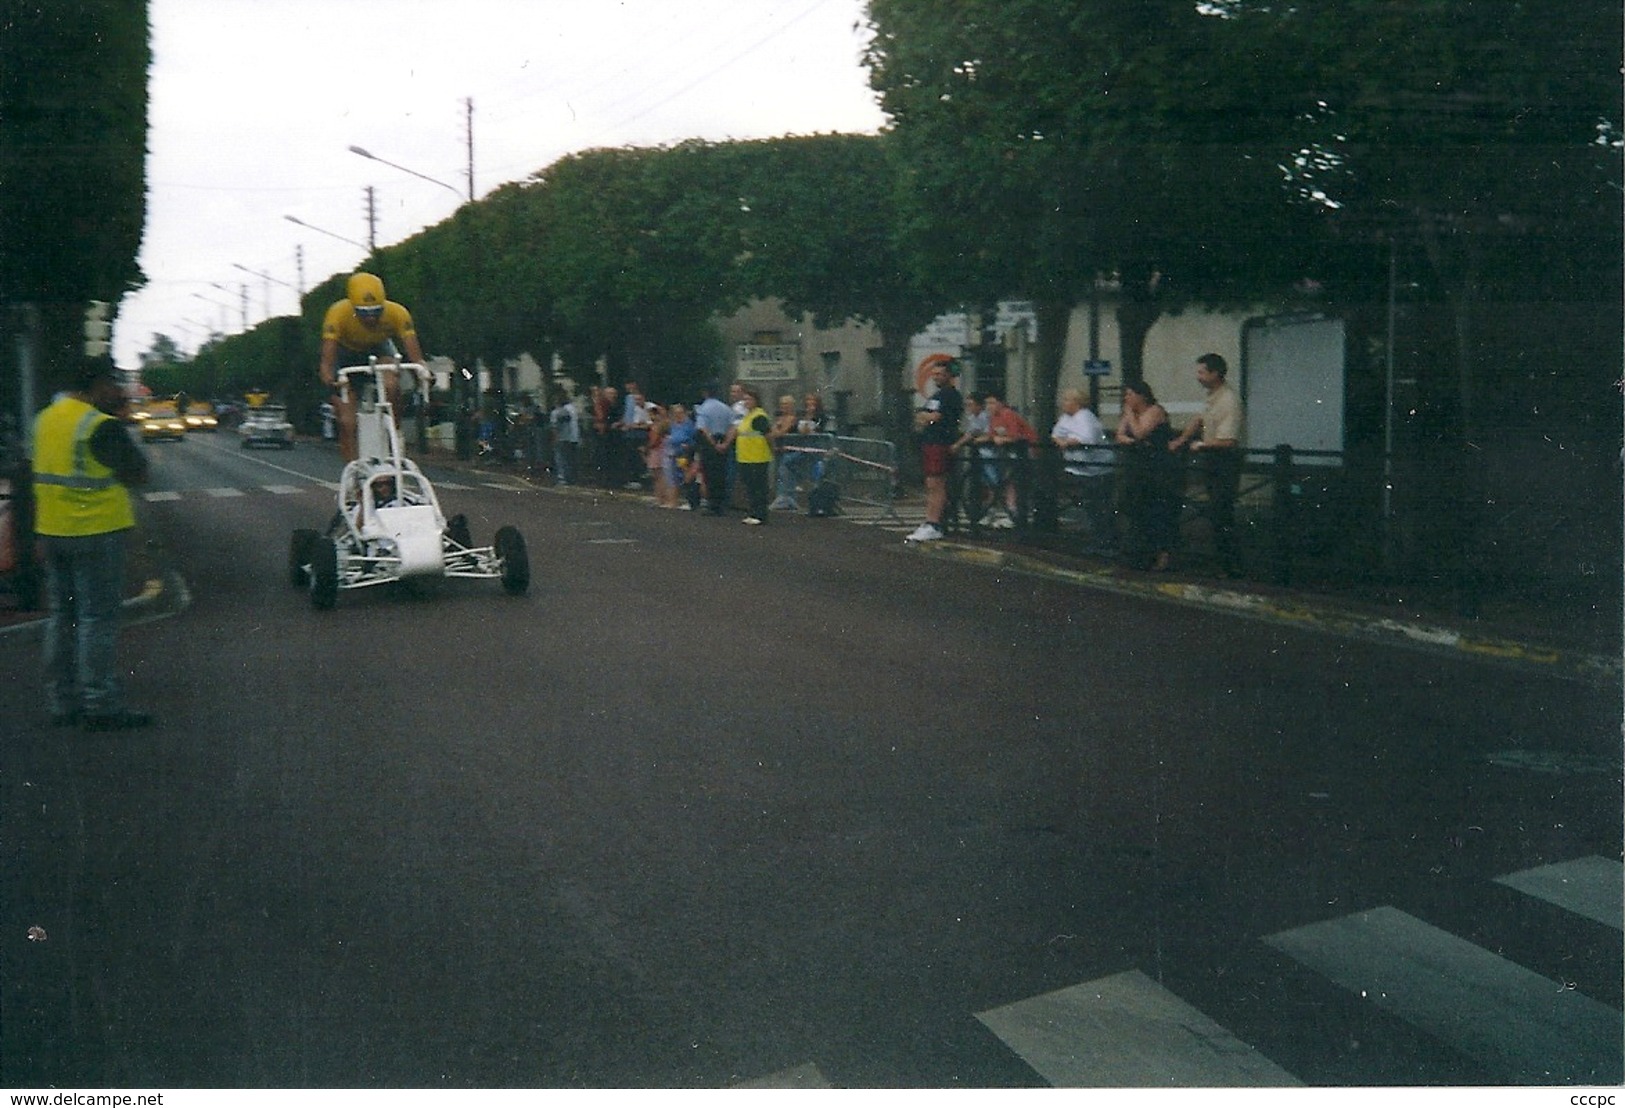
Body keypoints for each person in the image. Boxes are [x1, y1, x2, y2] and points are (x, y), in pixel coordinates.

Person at [32, 361, 153, 731]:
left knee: (61, 616)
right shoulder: (99, 425)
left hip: (53, 531)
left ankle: (62, 701)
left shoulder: (44, 420)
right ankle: (100, 703)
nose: (116, 391)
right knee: (96, 619)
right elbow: (138, 472)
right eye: (112, 384)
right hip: (97, 533)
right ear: (97, 384)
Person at [318, 272, 427, 463]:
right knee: (347, 421)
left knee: (392, 383)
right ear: (352, 306)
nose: (370, 319)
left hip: (379, 348)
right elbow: (327, 360)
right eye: (363, 313)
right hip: (344, 354)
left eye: (377, 312)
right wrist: (330, 380)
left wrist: (423, 373)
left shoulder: (397, 313)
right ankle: (354, 470)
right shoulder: (337, 313)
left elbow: (415, 354)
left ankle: (395, 432)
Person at [1169, 352, 1245, 575]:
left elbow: (1228, 440)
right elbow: (1200, 419)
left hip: (1224, 461)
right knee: (1216, 511)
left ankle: (1230, 565)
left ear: (1215, 373)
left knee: (1222, 512)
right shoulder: (1213, 396)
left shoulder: (1228, 400)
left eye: (1202, 372)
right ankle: (1223, 561)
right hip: (1214, 461)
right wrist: (1182, 439)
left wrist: (1201, 445)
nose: (1198, 376)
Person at [1115, 380, 1181, 571]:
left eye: (1129, 394)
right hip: (1137, 468)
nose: (1126, 399)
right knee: (1136, 510)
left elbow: (1140, 432)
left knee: (1156, 511)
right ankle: (1139, 554)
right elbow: (1120, 435)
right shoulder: (1131, 413)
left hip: (1157, 469)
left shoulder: (1155, 411)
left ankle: (1162, 555)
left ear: (1141, 395)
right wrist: (1129, 438)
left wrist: (1129, 417)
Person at [906, 359, 963, 542]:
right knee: (932, 483)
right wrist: (926, 417)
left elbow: (934, 417)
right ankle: (931, 521)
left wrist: (927, 417)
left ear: (949, 375)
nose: (936, 377)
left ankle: (934, 523)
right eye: (935, 374)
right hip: (931, 442)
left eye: (940, 374)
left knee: (936, 484)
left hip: (940, 442)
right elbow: (923, 416)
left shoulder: (949, 395)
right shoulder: (937, 395)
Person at [1051, 387, 1115, 545]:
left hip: (1096, 469)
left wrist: (1068, 442)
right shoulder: (1065, 417)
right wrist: (1063, 441)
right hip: (1078, 469)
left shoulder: (1086, 417)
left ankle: (1103, 540)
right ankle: (1095, 538)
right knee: (1086, 505)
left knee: (1097, 506)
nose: (1063, 403)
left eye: (1067, 400)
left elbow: (1087, 439)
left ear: (1077, 403)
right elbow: (1056, 434)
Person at [718, 385, 773, 524]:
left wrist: (772, 449)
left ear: (756, 401)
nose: (746, 402)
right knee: (750, 487)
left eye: (749, 399)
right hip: (745, 457)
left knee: (758, 487)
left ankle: (760, 515)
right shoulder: (747, 416)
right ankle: (753, 512)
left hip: (757, 457)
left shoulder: (759, 416)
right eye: (745, 400)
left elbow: (768, 436)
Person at [982, 394, 1038, 529]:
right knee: (1006, 480)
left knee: (1012, 481)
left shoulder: (1008, 414)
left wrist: (1002, 439)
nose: (989, 406)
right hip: (1008, 453)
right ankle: (1005, 511)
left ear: (1001, 403)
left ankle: (1013, 513)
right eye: (987, 403)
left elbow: (1015, 435)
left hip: (1024, 452)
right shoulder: (993, 418)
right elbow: (991, 434)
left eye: (992, 403)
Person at [693, 383, 734, 515]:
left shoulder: (703, 408)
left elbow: (703, 428)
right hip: (724, 439)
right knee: (721, 473)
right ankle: (720, 504)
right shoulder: (726, 408)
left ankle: (712, 505)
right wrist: (726, 443)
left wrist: (713, 443)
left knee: (709, 474)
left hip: (710, 442)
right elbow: (732, 427)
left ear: (705, 393)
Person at [660, 402, 697, 509]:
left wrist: (688, 445)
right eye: (676, 413)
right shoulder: (672, 424)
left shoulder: (689, 425)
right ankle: (672, 501)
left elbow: (694, 439)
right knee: (672, 478)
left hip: (684, 454)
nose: (678, 415)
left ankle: (690, 502)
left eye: (680, 413)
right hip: (672, 453)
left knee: (686, 477)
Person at [767, 394, 801, 511]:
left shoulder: (792, 419)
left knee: (786, 473)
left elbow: (781, 432)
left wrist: (777, 430)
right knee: (780, 474)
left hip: (790, 450)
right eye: (782, 404)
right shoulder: (779, 419)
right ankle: (783, 498)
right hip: (779, 450)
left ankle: (787, 498)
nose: (783, 407)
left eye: (786, 404)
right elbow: (773, 432)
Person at [549, 389, 580, 485]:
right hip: (572, 437)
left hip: (561, 438)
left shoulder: (555, 413)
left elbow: (555, 427)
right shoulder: (572, 409)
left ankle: (562, 478)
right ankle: (571, 478)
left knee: (560, 458)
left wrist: (554, 438)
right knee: (570, 459)